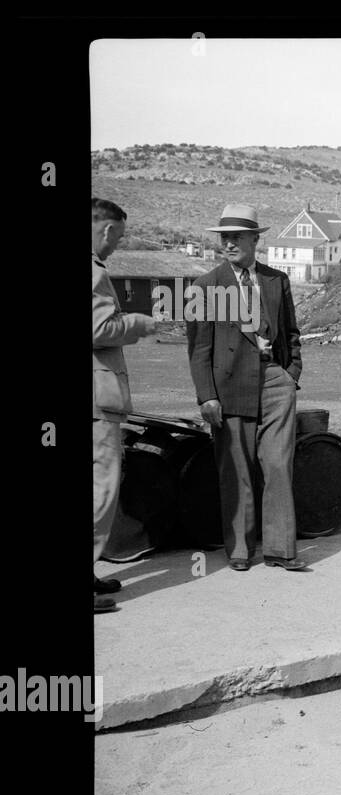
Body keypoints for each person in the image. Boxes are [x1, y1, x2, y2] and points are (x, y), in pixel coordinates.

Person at [188, 204, 307, 572]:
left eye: (237, 237)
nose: (229, 243)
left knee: (277, 465)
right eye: (225, 237)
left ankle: (281, 550)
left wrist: (291, 374)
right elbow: (198, 349)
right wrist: (207, 395)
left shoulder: (276, 280)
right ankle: (240, 551)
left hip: (275, 383)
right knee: (236, 470)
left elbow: (291, 334)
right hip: (229, 386)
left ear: (256, 239)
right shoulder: (204, 287)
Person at [93, 198, 159, 614]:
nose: (117, 245)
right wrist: (142, 322)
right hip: (97, 401)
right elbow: (99, 328)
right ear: (105, 231)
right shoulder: (95, 273)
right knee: (100, 489)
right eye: (117, 236)